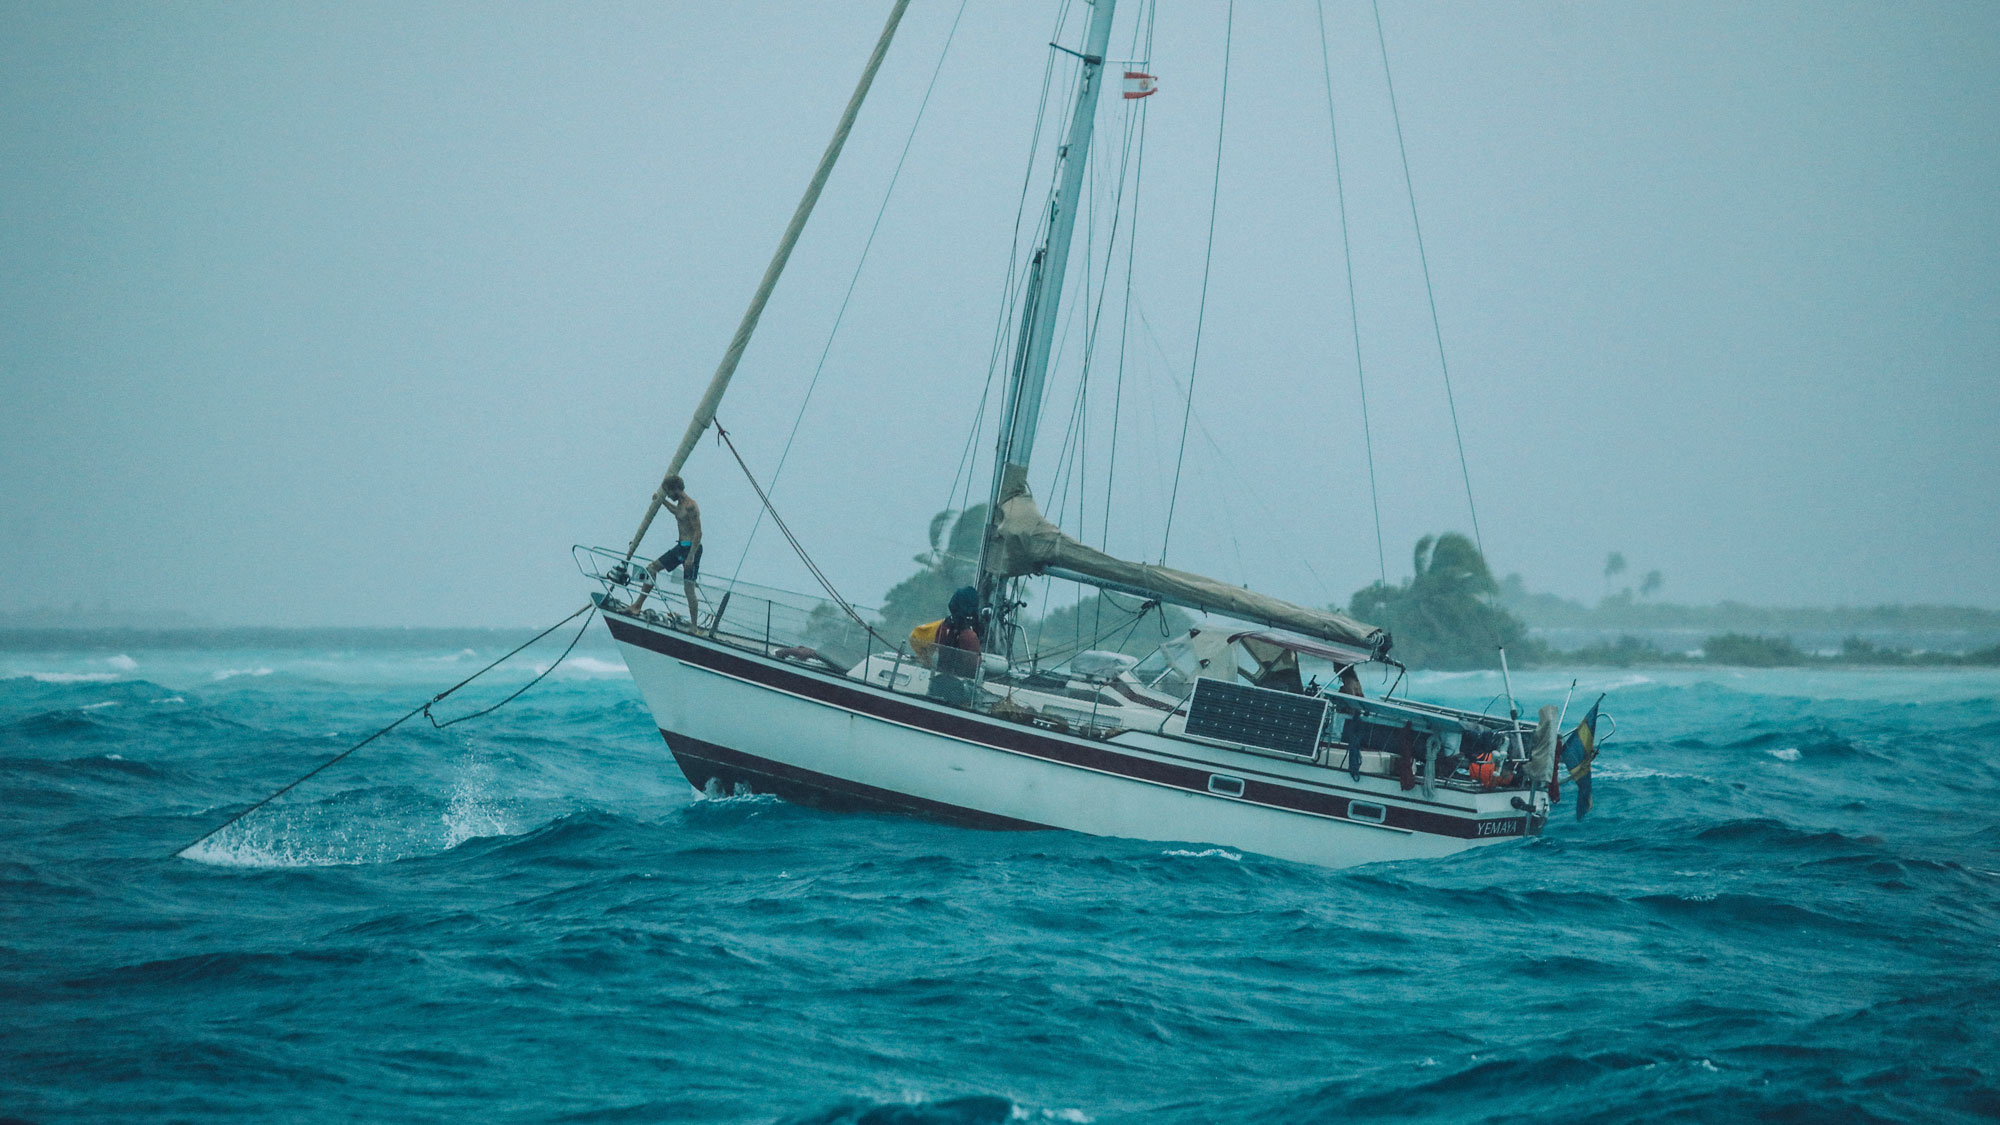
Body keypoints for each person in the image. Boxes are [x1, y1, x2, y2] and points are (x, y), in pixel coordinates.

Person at [631, 475, 702, 623]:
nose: (669, 496)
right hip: (680, 546)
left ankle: (694, 626)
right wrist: (661, 500)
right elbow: (676, 512)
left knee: (688, 588)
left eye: (668, 493)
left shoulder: (690, 506)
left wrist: (691, 556)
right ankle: (637, 605)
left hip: (691, 549)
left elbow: (698, 532)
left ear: (675, 489)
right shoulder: (680, 506)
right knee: (652, 568)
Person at [928, 586, 983, 705]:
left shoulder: (944, 626)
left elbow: (936, 649)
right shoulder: (969, 636)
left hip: (938, 681)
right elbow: (973, 667)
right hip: (958, 689)